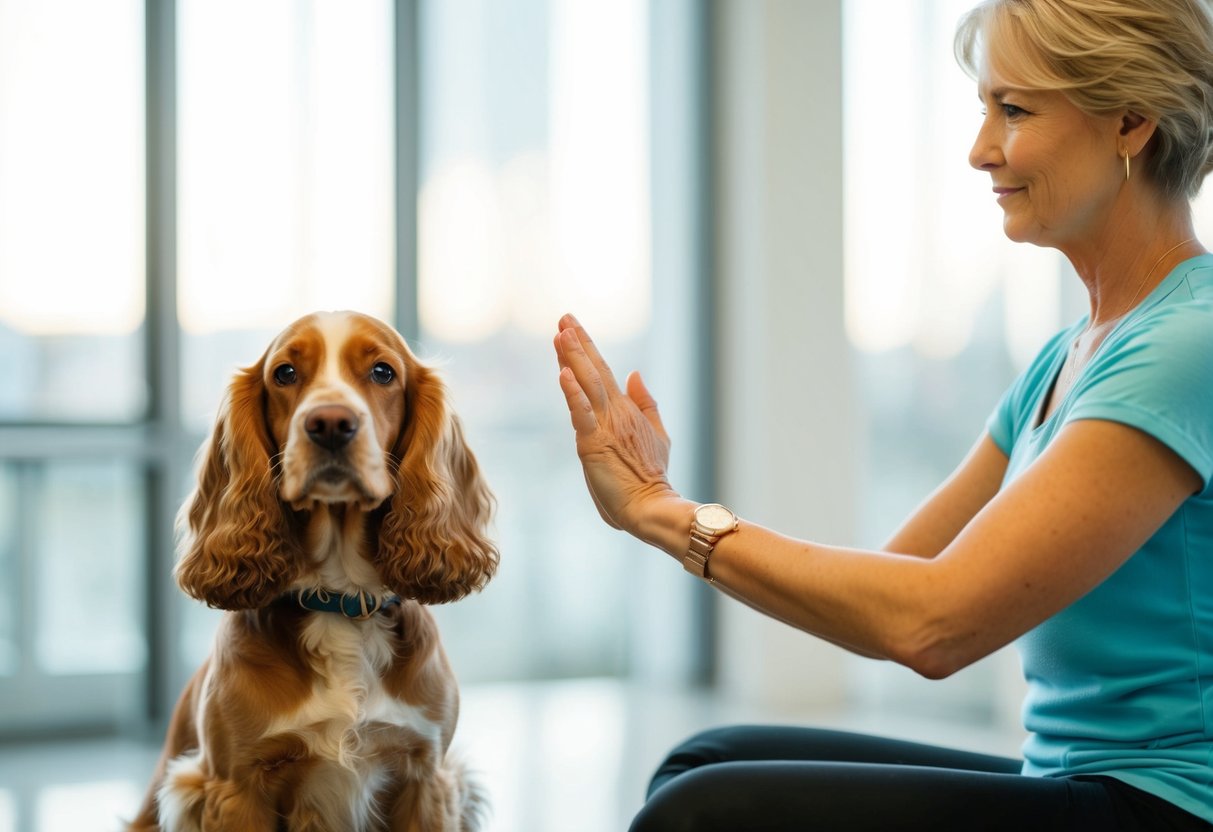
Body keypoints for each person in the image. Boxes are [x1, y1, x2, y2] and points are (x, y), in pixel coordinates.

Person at [553, 0, 1213, 829]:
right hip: (1069, 779)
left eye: (1012, 110)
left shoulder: (1189, 342)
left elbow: (932, 625)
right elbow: (894, 584)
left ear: (1130, 121)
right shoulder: (1066, 357)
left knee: (706, 811)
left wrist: (662, 513)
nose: (979, 151)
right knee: (704, 760)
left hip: (1168, 805)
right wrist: (665, 497)